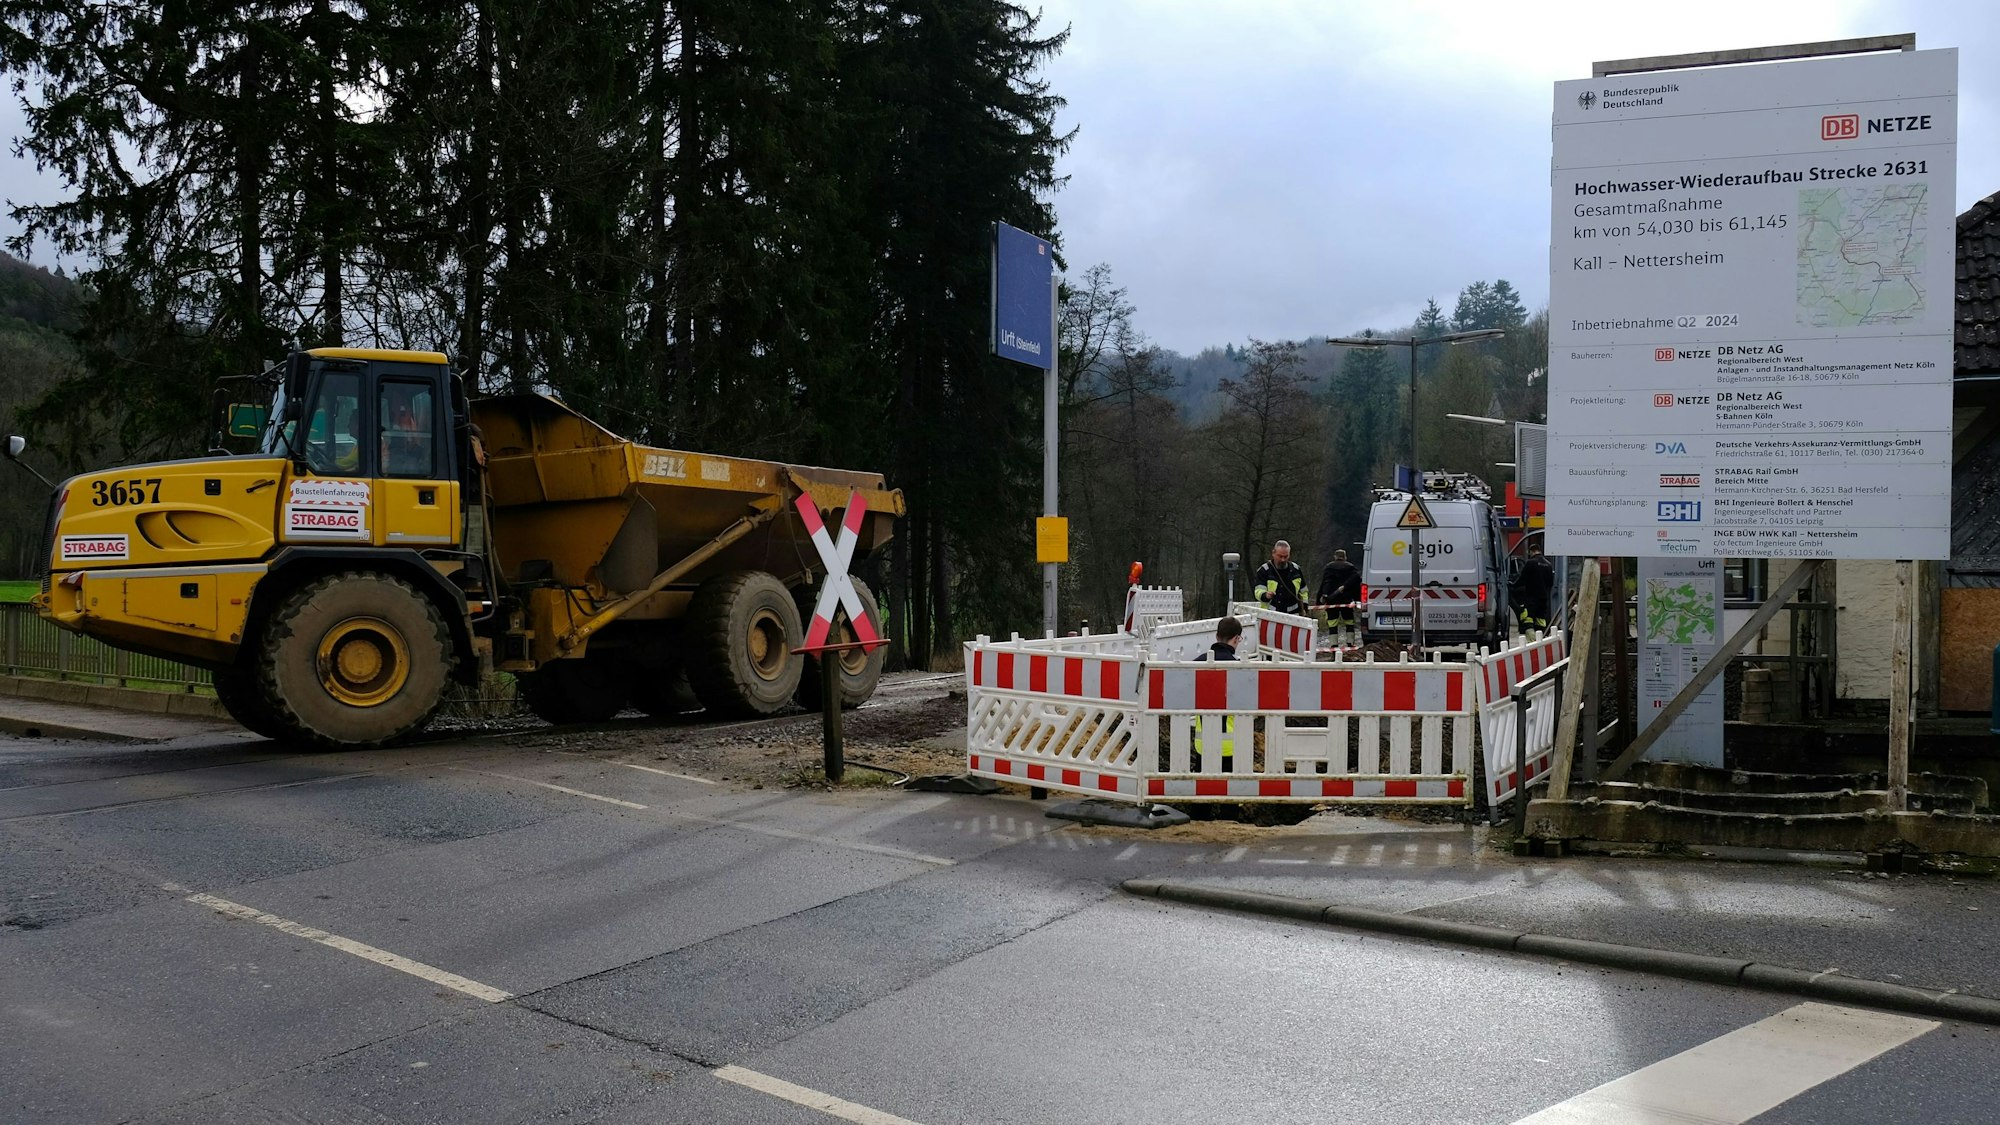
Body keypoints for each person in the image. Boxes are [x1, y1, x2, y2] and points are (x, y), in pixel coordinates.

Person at [1192, 616, 1240, 769]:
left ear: (1217, 636)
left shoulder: (1197, 663)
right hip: (1230, 745)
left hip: (1203, 743)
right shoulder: (1239, 668)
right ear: (1237, 639)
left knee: (1203, 790)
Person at [1252, 540, 1308, 615]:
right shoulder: (1264, 570)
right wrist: (1265, 595)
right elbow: (1258, 591)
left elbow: (1303, 591)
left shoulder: (1296, 569)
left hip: (1294, 615)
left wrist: (1305, 607)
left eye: (1285, 556)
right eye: (1280, 556)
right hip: (1270, 614)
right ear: (1273, 553)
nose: (1283, 560)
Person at [1316, 548, 1361, 626]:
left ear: (1335, 557)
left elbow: (1324, 583)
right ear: (1345, 557)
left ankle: (1333, 638)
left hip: (1331, 599)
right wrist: (1358, 599)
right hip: (1346, 599)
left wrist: (1318, 600)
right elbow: (1356, 583)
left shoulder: (1329, 567)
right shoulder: (1350, 567)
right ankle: (1350, 638)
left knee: (1332, 623)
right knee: (1349, 622)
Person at [1518, 542, 1555, 631]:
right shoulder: (1548, 565)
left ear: (1532, 551)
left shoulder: (1530, 563)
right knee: (1541, 619)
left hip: (1531, 598)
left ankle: (1531, 641)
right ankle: (1541, 637)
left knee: (1528, 619)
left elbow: (1522, 579)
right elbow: (1550, 583)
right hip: (1543, 598)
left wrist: (1512, 584)